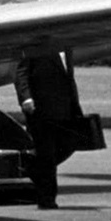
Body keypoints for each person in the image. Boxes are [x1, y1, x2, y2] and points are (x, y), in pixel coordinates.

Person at [14, 51, 83, 210]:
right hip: (41, 109)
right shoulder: (37, 47)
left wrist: (74, 104)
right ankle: (47, 199)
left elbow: (68, 78)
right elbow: (21, 73)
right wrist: (25, 97)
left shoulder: (67, 49)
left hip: (64, 109)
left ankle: (32, 168)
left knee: (67, 146)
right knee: (47, 154)